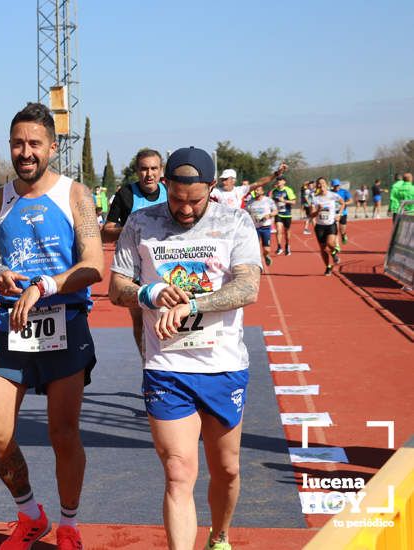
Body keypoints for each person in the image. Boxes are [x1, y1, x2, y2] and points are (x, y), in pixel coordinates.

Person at [109, 146, 262, 550]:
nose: (186, 210)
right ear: (165, 186)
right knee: (178, 472)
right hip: (166, 366)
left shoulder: (235, 222)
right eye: (176, 198)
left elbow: (248, 288)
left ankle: (220, 534)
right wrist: (152, 291)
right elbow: (116, 288)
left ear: (211, 189)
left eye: (195, 201)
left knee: (226, 470)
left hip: (222, 365)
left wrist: (191, 305)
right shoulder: (142, 223)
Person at [0, 103, 102, 549]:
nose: (25, 152)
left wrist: (44, 286)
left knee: (62, 434)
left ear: (52, 147)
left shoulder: (75, 195)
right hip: (10, 324)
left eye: (34, 143)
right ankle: (31, 515)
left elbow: (94, 266)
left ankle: (68, 524)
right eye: (17, 143)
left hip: (64, 321)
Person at [101, 148, 168, 357]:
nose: (149, 174)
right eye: (144, 169)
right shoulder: (126, 195)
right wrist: (132, 229)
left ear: (161, 170)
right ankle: (147, 365)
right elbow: (106, 232)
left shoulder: (171, 192)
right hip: (135, 269)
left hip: (167, 267)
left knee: (169, 316)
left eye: (153, 169)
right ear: (137, 171)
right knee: (139, 320)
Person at [209, 165, 286, 209]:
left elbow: (259, 183)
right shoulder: (216, 192)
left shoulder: (240, 190)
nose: (223, 182)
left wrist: (276, 174)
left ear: (233, 180)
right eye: (222, 179)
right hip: (223, 225)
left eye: (226, 179)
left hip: (237, 225)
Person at [310, 178, 344, 276]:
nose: (321, 185)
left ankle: (334, 252)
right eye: (319, 184)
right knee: (323, 248)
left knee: (330, 243)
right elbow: (312, 215)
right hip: (320, 226)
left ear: (326, 184)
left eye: (323, 183)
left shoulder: (333, 195)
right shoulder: (315, 198)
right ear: (317, 186)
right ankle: (328, 267)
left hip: (330, 224)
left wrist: (339, 214)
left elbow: (343, 203)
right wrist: (317, 210)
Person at [246, 189, 278, 266]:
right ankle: (256, 263)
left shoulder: (268, 200)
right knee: (254, 247)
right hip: (254, 228)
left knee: (267, 249)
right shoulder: (250, 202)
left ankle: (266, 255)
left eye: (258, 190)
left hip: (265, 227)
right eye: (255, 190)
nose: (256, 192)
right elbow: (246, 212)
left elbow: (275, 211)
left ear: (262, 191)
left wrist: (269, 215)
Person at [268, 176, 296, 256]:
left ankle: (287, 245)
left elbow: (294, 202)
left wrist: (284, 201)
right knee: (278, 229)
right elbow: (271, 201)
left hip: (287, 214)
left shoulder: (288, 190)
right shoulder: (274, 191)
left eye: (280, 180)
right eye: (277, 180)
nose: (278, 181)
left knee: (287, 231)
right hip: (278, 213)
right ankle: (279, 246)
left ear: (284, 182)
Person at [330, 179, 352, 246]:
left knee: (342, 230)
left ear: (339, 185)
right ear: (332, 186)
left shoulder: (344, 192)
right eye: (335, 186)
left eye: (337, 185)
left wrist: (344, 203)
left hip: (343, 212)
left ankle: (343, 235)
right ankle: (337, 245)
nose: (336, 187)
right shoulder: (330, 193)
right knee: (335, 230)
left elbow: (351, 200)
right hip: (333, 213)